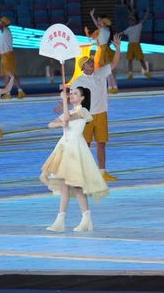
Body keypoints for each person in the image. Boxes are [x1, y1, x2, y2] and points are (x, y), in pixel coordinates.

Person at [41, 86, 109, 232]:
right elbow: (50, 124)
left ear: (82, 98)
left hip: (75, 149)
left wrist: (63, 101)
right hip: (64, 147)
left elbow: (67, 118)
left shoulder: (83, 111)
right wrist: (59, 123)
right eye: (70, 93)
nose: (71, 95)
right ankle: (60, 220)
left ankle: (86, 219)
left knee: (77, 187)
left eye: (75, 93)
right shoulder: (71, 111)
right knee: (63, 186)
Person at [71, 34, 123, 181]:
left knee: (101, 143)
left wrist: (118, 47)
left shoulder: (101, 72)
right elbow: (73, 99)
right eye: (88, 63)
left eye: (91, 61)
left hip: (101, 113)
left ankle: (102, 172)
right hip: (86, 116)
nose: (92, 63)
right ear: (82, 67)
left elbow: (114, 62)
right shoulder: (78, 81)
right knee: (85, 145)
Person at [0, 16, 26, 99]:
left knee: (9, 75)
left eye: (1, 22)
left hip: (7, 55)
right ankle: (15, 92)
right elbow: (0, 26)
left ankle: (11, 93)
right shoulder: (5, 31)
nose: (0, 23)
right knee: (9, 75)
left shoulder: (5, 30)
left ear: (4, 23)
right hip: (6, 55)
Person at [87, 9, 119, 94]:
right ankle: (112, 86)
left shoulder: (103, 29)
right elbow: (100, 40)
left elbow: (97, 26)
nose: (98, 22)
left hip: (103, 51)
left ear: (104, 22)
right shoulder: (105, 30)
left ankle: (112, 86)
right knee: (107, 70)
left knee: (107, 70)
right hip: (103, 49)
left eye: (100, 21)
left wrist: (92, 15)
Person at [121, 10, 151, 79]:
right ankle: (130, 73)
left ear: (135, 21)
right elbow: (123, 32)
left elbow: (144, 20)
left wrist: (146, 13)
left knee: (141, 59)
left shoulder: (139, 26)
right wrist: (117, 35)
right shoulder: (128, 29)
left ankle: (146, 71)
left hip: (137, 45)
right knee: (129, 59)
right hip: (130, 45)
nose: (131, 22)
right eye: (130, 21)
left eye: (132, 20)